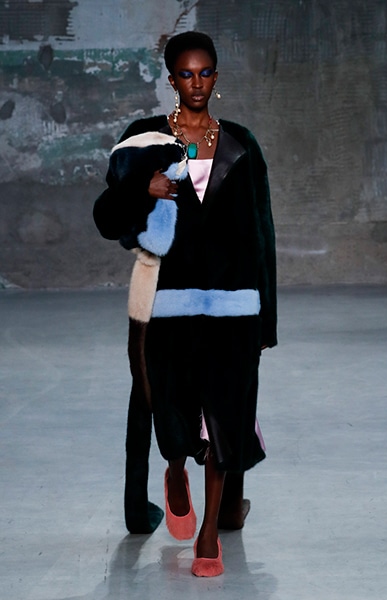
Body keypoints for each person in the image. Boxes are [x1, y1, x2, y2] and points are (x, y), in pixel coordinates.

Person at [93, 31, 277, 577]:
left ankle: (208, 536)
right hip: (169, 305)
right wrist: (140, 190)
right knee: (170, 415)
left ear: (216, 77)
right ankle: (174, 468)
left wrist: (265, 318)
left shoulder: (242, 144)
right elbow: (105, 217)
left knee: (223, 417)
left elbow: (261, 232)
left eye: (205, 73)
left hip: (233, 305)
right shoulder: (143, 139)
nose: (197, 83)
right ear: (171, 79)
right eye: (186, 74)